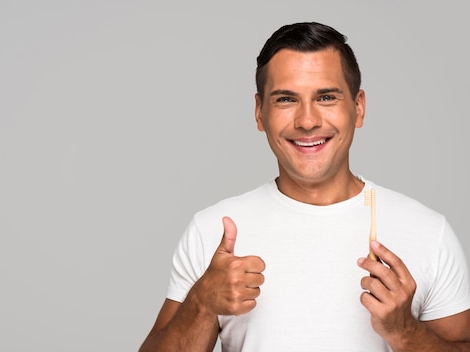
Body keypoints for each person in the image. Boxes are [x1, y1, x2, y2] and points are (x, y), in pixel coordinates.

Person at [139, 22, 470, 351]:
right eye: (286, 99)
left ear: (358, 107)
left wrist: (405, 332)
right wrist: (201, 303)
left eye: (325, 97)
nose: (308, 121)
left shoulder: (428, 231)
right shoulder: (213, 232)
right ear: (259, 113)